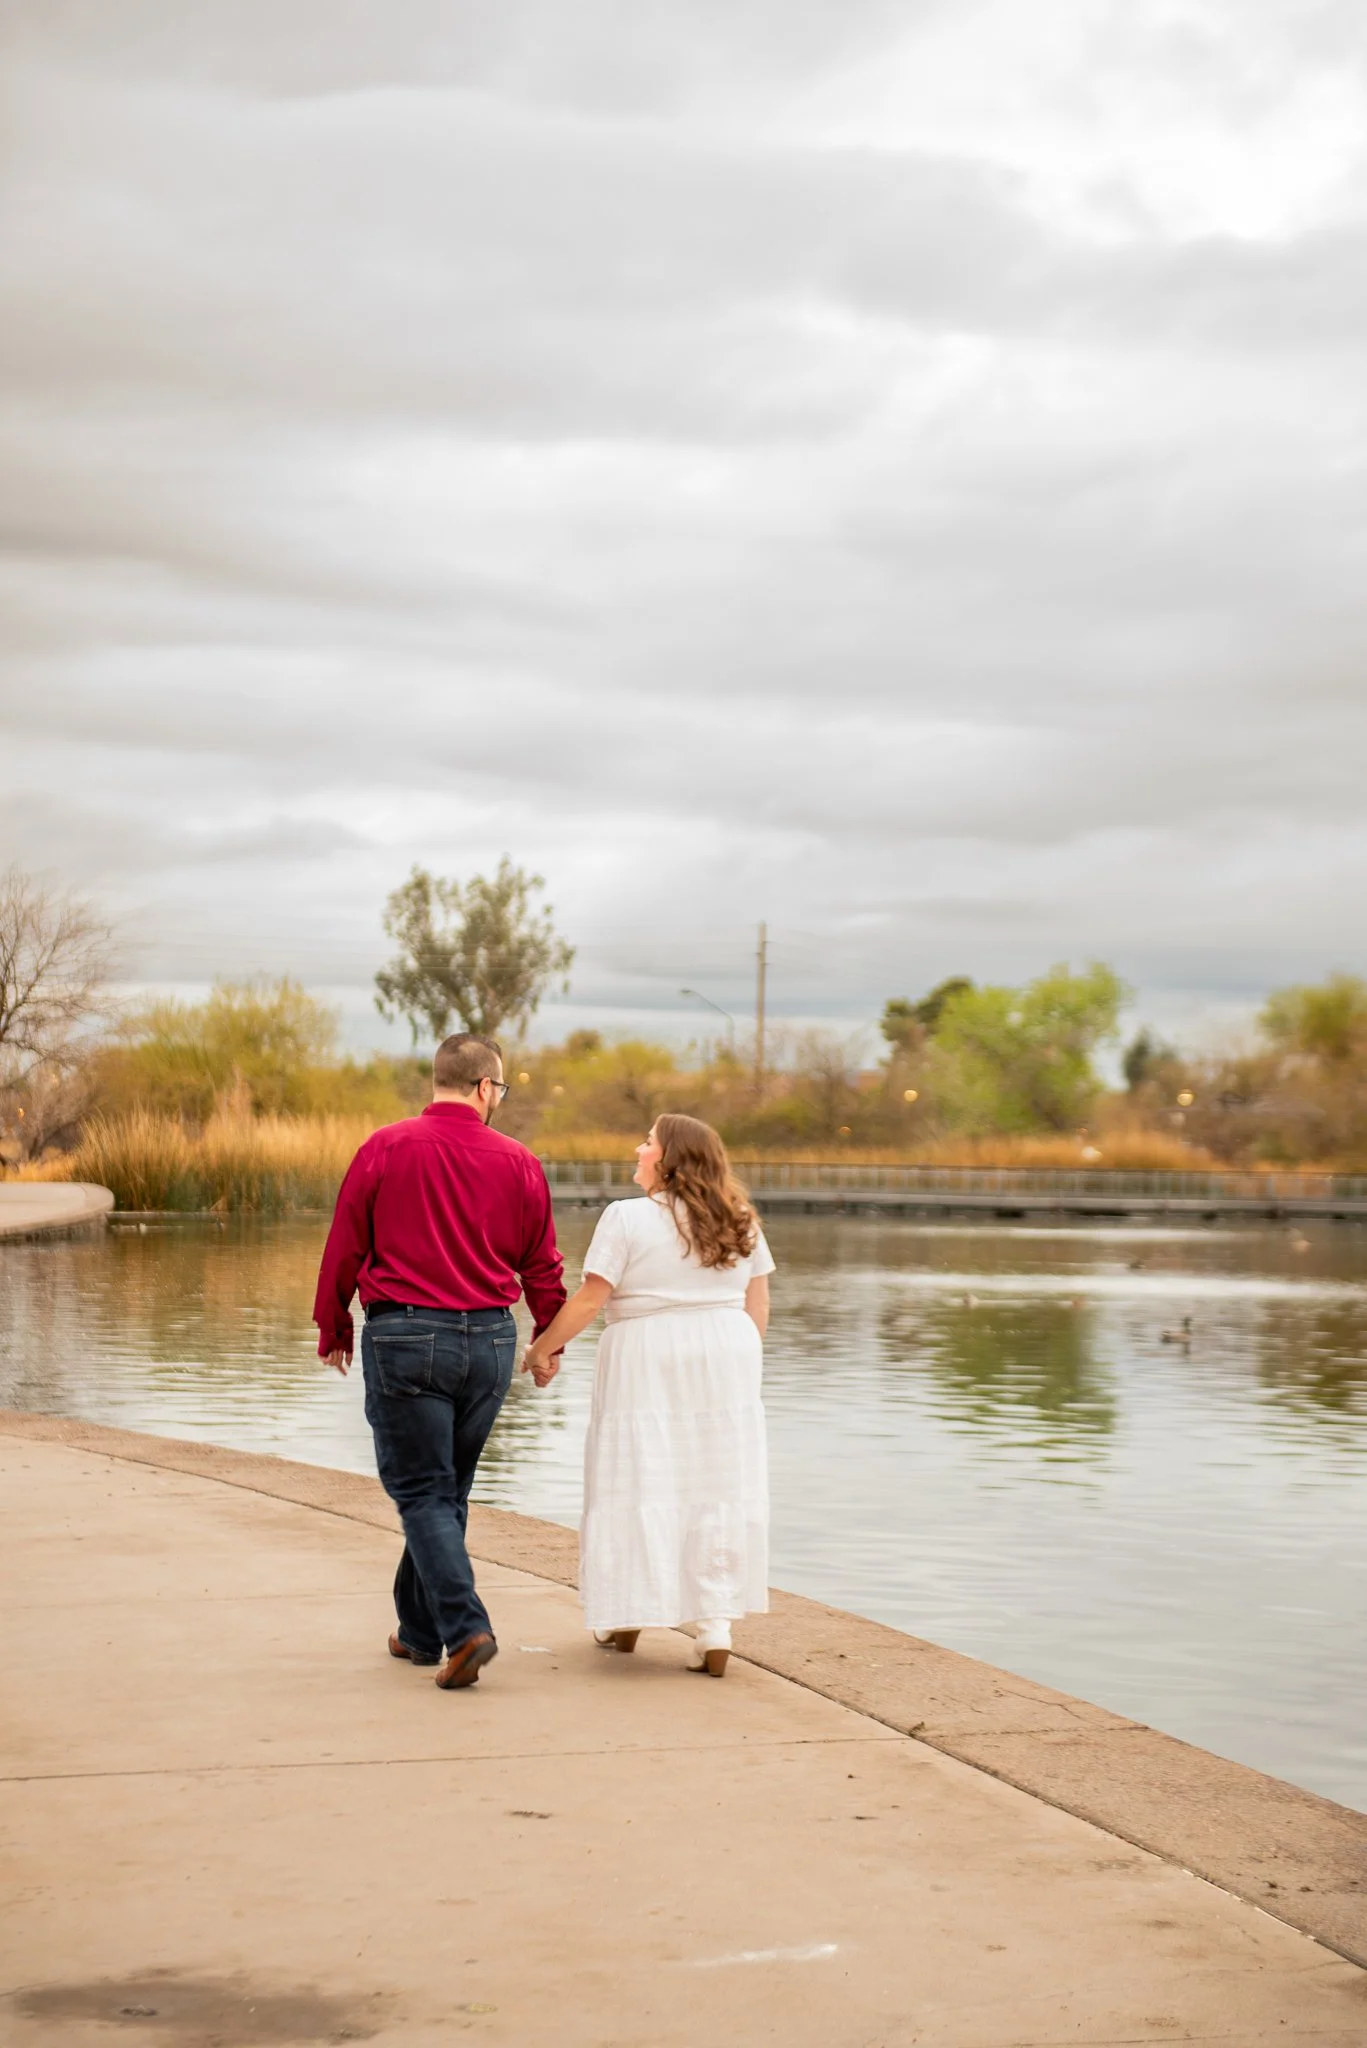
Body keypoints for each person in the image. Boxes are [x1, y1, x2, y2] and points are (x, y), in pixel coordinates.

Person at [314, 1032, 565, 1690]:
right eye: (500, 1089)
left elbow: (345, 1240)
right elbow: (542, 1261)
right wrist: (549, 1338)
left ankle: (465, 1628)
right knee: (444, 1491)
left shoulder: (385, 1147)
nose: (499, 1100)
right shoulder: (519, 1162)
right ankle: (420, 1632)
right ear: (484, 1086)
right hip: (488, 1341)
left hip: (406, 1337)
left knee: (424, 1492)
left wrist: (333, 1320)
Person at [522, 1113, 772, 1677]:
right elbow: (757, 1305)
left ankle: (625, 1610)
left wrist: (541, 1349)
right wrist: (736, 1368)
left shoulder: (627, 1217)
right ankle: (714, 1625)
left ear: (669, 1159)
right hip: (727, 1354)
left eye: (649, 1142)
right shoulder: (741, 1218)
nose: (639, 1149)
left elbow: (590, 1299)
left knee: (637, 1472)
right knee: (715, 1479)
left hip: (647, 1352)